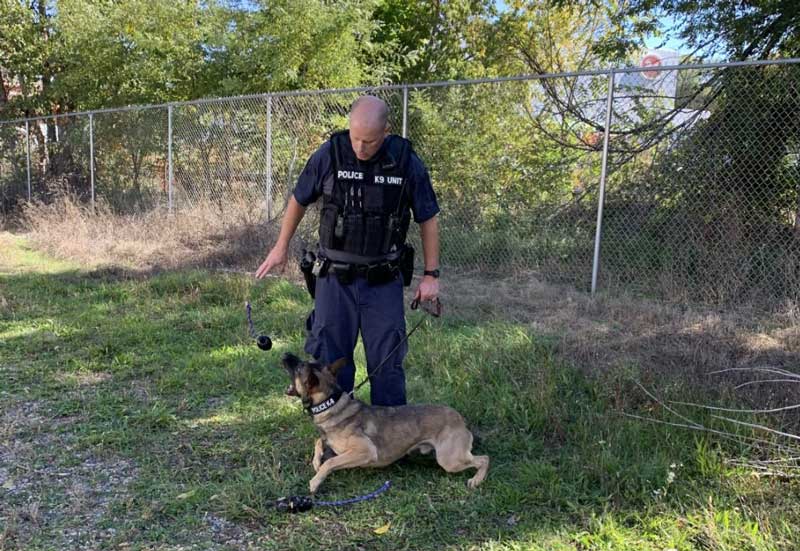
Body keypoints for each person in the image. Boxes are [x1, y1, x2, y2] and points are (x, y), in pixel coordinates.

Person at [255, 95, 440, 407]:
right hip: (334, 278)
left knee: (387, 362)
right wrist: (280, 246)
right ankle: (336, 435)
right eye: (355, 138)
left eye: (369, 141)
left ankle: (389, 440)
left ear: (387, 131)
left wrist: (431, 275)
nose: (360, 148)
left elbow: (428, 217)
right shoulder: (330, 155)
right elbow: (299, 199)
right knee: (330, 362)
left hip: (383, 279)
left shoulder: (406, 162)